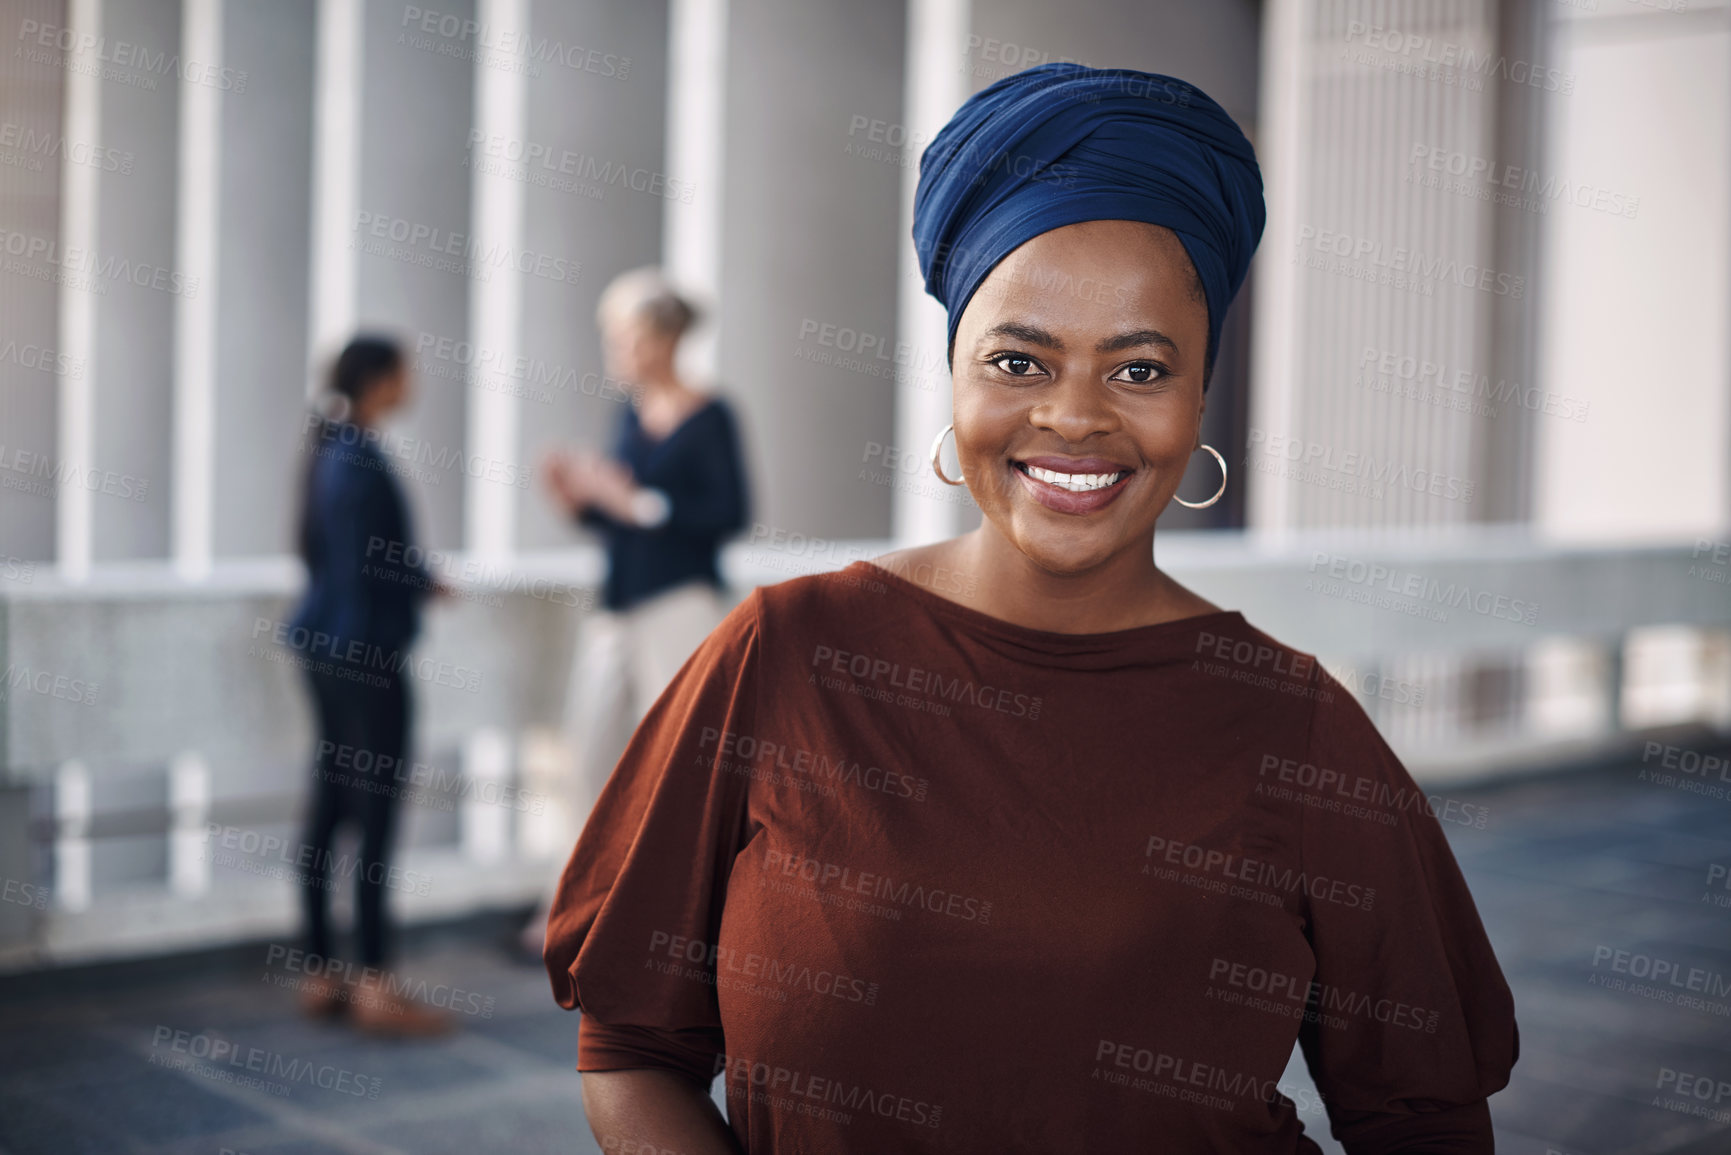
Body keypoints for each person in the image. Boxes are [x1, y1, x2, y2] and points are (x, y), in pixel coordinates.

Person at [543, 66, 1518, 1153]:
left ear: (1201, 398)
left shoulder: (1295, 724)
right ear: (954, 377)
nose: (1073, 417)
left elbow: (1424, 1114)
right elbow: (633, 1050)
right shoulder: (784, 655)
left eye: (1140, 370)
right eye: (1017, 360)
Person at [524, 268, 750, 953]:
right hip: (617, 606)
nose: (614, 348)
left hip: (679, 604)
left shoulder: (711, 415)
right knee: (587, 756)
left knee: (682, 762)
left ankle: (693, 914)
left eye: (623, 335)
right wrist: (581, 501)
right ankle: (575, 907)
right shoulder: (626, 412)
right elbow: (620, 520)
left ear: (662, 338)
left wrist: (638, 505)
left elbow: (730, 514)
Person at [289, 335, 450, 1037]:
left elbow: (332, 556)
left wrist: (411, 577)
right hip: (366, 655)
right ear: (382, 379)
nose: (413, 379)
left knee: (331, 800)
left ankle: (324, 968)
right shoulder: (358, 455)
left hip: (324, 646)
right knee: (375, 812)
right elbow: (369, 564)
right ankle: (376, 981)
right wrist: (415, 582)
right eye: (405, 369)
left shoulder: (330, 449)